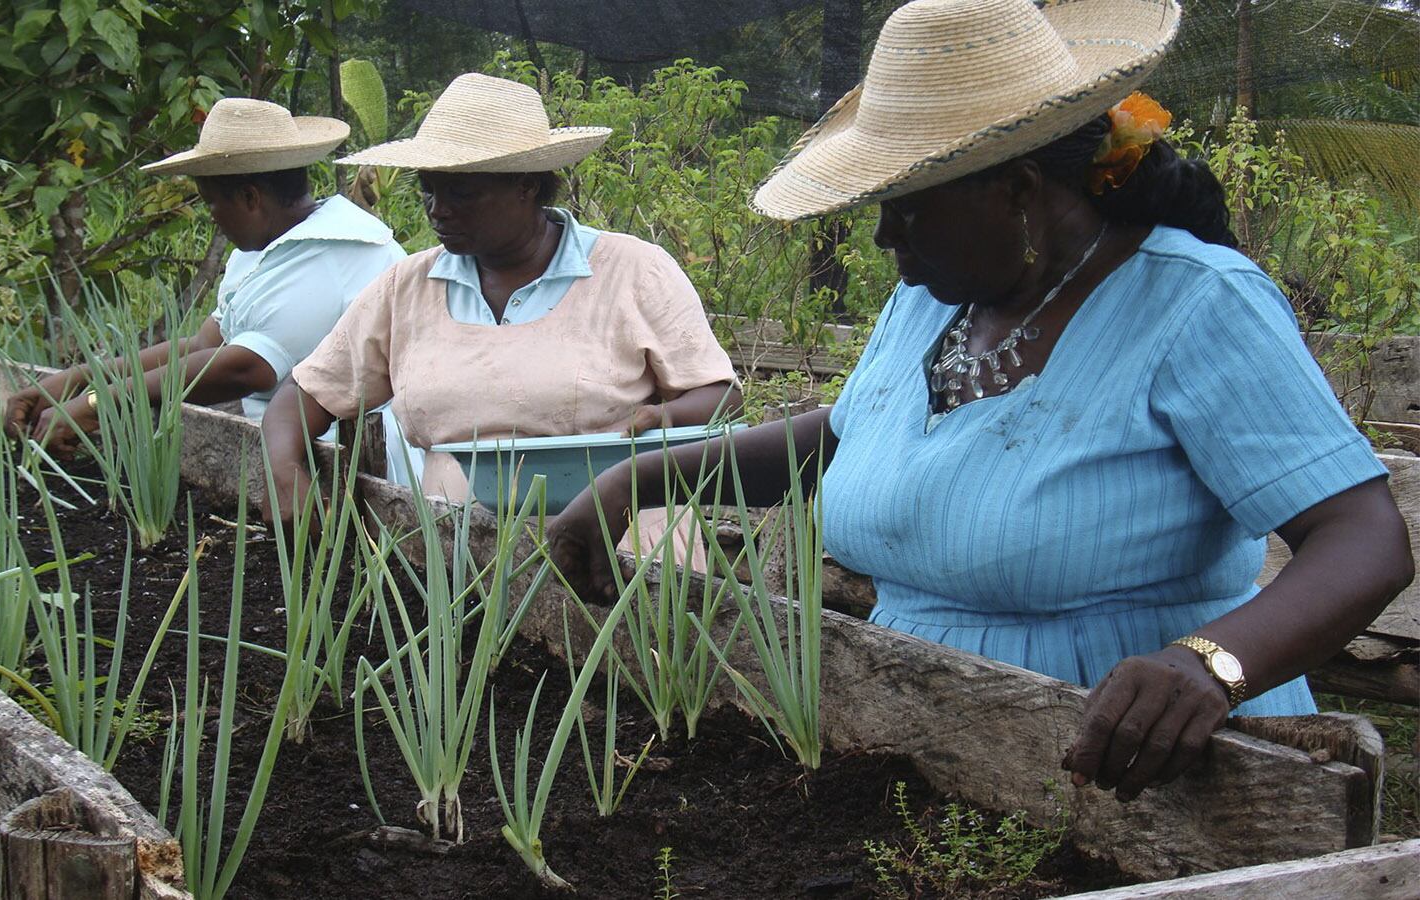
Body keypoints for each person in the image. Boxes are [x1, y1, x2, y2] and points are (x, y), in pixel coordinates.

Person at [547, 0, 1413, 802]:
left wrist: (1209, 665)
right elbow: (852, 435)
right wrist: (639, 480)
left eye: (906, 207)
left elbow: (1362, 538)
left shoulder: (1196, 303)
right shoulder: (935, 297)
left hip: (1132, 755)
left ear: (1019, 189)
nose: (884, 236)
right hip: (918, 734)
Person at [263, 73, 741, 553]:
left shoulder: (632, 271)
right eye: (428, 190)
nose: (438, 210)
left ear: (526, 186)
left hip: (620, 551)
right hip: (456, 560)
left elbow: (720, 395)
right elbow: (306, 393)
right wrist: (282, 465)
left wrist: (666, 416)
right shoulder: (406, 289)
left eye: (461, 193)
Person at [4, 98, 406, 453]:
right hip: (286, 444)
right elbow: (204, 345)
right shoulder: (268, 248)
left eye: (211, 204)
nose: (212, 218)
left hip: (355, 462)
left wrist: (99, 403)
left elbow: (246, 367)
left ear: (250, 198)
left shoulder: (334, 253)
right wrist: (79, 379)